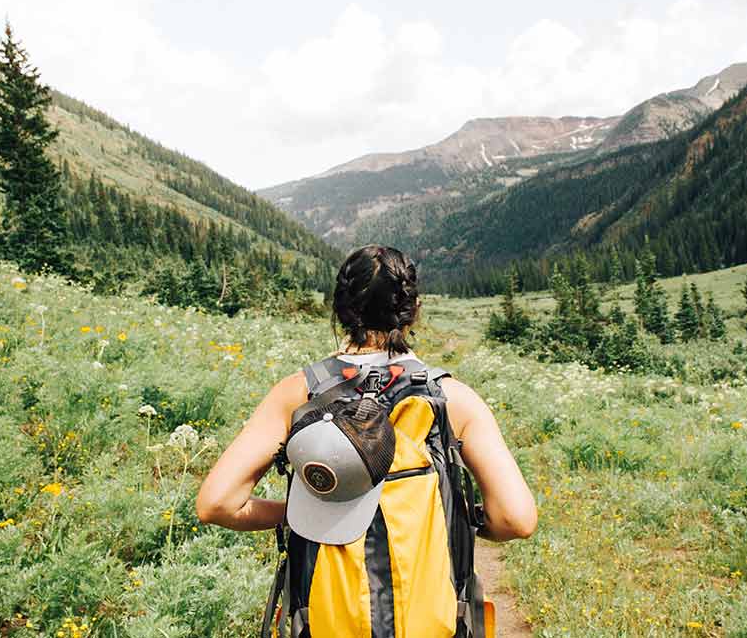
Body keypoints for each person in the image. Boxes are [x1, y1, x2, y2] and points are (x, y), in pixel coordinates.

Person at [196, 244, 537, 636]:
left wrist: (302, 513)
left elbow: (217, 504)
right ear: (414, 309)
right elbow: (516, 518)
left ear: (340, 309)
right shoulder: (452, 399)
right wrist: (459, 519)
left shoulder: (299, 394)